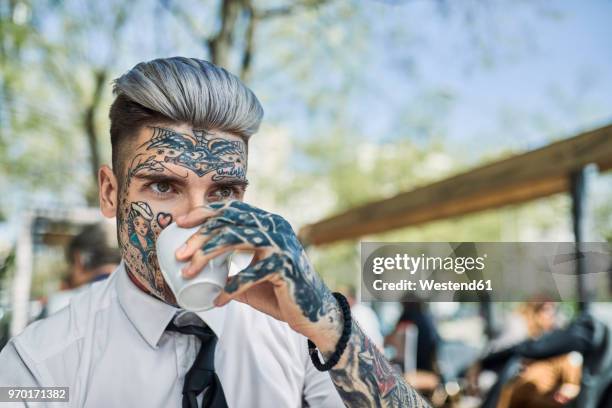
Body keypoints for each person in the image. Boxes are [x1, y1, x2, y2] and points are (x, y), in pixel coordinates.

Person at [0, 57, 429, 407]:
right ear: (111, 193)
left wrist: (329, 327)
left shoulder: (292, 333)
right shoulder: (40, 365)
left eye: (223, 191)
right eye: (164, 186)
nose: (197, 219)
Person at [45, 223, 121, 315]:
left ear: (79, 260)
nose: (70, 272)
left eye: (71, 263)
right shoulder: (128, 284)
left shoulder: (66, 304)